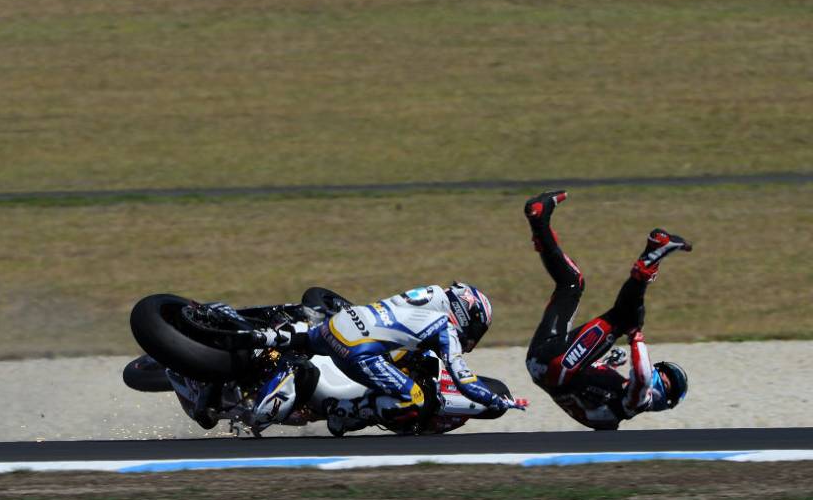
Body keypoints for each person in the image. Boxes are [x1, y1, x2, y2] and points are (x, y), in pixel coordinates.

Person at [255, 283, 528, 435]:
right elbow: (463, 379)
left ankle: (268, 338)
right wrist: (496, 400)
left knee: (317, 308)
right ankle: (345, 411)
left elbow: (391, 313)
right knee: (413, 398)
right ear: (467, 316)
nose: (474, 337)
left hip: (353, 328)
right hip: (362, 352)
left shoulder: (431, 294)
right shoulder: (445, 329)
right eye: (477, 329)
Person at [523, 190, 690, 430]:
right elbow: (589, 388)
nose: (659, 374)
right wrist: (607, 364)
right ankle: (539, 222)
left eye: (667, 381)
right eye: (662, 372)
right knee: (571, 283)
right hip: (538, 361)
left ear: (666, 398)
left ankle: (649, 259)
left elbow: (642, 378)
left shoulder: (635, 403)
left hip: (557, 368)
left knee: (625, 318)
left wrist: (636, 337)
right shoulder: (620, 397)